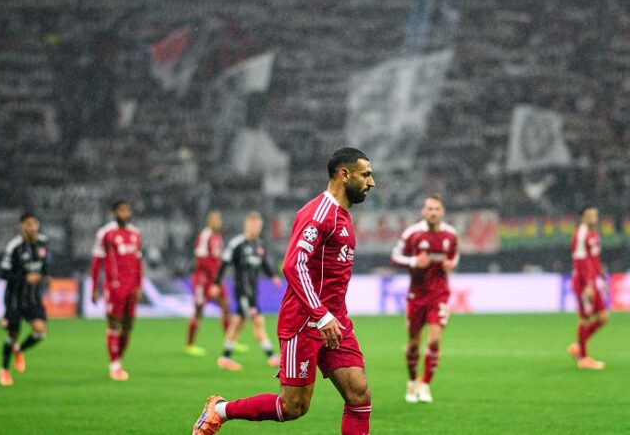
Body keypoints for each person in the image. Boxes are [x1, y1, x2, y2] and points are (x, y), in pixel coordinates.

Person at [193, 147, 375, 435]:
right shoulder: (319, 213)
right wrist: (321, 315)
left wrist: (329, 316)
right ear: (344, 174)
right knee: (294, 406)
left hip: (335, 321)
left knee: (359, 394)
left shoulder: (342, 215)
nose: (371, 182)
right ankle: (220, 410)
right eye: (365, 174)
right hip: (305, 321)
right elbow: (293, 264)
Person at [390, 194, 459, 403]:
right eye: (429, 208)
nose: (433, 212)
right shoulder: (412, 234)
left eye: (437, 209)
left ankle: (425, 385)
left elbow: (454, 255)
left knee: (435, 339)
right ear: (423, 211)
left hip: (439, 293)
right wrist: (413, 261)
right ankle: (412, 381)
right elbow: (395, 257)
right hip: (416, 295)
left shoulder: (451, 235)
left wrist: (451, 264)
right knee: (413, 344)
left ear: (442, 212)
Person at [214, 212, 282, 371]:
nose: (256, 229)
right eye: (253, 226)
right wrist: (216, 283)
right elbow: (224, 263)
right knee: (258, 321)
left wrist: (273, 276)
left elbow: (263, 263)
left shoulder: (258, 245)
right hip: (242, 291)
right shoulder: (237, 244)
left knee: (237, 324)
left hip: (253, 292)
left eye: (258, 226)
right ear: (247, 226)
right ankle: (272, 356)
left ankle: (225, 358)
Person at [91, 200, 143, 381]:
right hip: (114, 286)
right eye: (121, 210)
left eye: (127, 210)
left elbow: (138, 262)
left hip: (131, 287)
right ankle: (114, 366)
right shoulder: (105, 233)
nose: (125, 214)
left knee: (128, 326)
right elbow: (97, 262)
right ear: (115, 213)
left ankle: (117, 360)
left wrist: (139, 285)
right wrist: (94, 287)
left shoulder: (135, 234)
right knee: (114, 323)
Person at [0, 212, 50, 387]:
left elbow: (44, 266)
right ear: (22, 226)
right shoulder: (14, 246)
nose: (32, 227)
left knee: (40, 331)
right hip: (15, 298)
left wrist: (45, 277)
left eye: (34, 224)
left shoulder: (43, 243)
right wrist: (25, 278)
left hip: (33, 297)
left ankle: (19, 350)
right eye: (28, 224)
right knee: (13, 334)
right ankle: (4, 370)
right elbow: (3, 273)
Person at [567, 207, 608, 370]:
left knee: (603, 317)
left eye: (595, 215)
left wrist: (602, 279)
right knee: (585, 319)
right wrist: (589, 285)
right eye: (589, 216)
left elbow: (595, 260)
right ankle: (583, 359)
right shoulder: (580, 235)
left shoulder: (594, 234)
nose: (593, 218)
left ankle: (579, 346)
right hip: (583, 282)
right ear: (582, 218)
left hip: (592, 281)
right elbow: (581, 262)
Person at [186, 210, 232, 357]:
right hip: (203, 279)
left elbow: (217, 260)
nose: (218, 223)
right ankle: (190, 344)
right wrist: (212, 278)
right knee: (199, 309)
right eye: (214, 220)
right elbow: (200, 259)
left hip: (215, 279)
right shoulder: (205, 236)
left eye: (219, 220)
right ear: (209, 222)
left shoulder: (217, 237)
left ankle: (230, 341)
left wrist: (217, 278)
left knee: (226, 306)